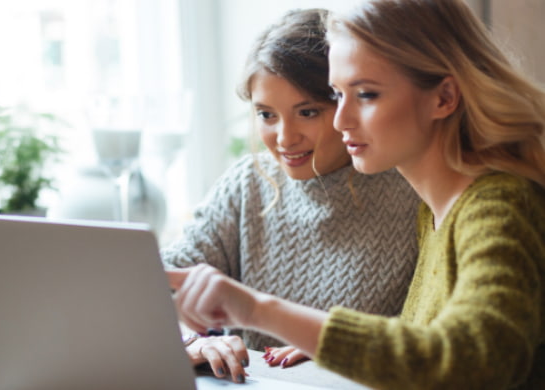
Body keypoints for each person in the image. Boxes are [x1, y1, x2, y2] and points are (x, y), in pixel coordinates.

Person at [168, 0, 545, 389]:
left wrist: (257, 310)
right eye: (337, 94)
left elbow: (474, 361)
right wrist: (347, 347)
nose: (342, 119)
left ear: (444, 98)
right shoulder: (437, 208)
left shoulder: (499, 205)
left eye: (365, 94)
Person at [161, 8, 420, 384]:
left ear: (348, 105)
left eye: (308, 111)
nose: (284, 138)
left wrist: (336, 343)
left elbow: (433, 335)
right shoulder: (248, 183)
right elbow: (160, 284)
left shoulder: (411, 189)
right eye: (267, 115)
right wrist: (190, 341)